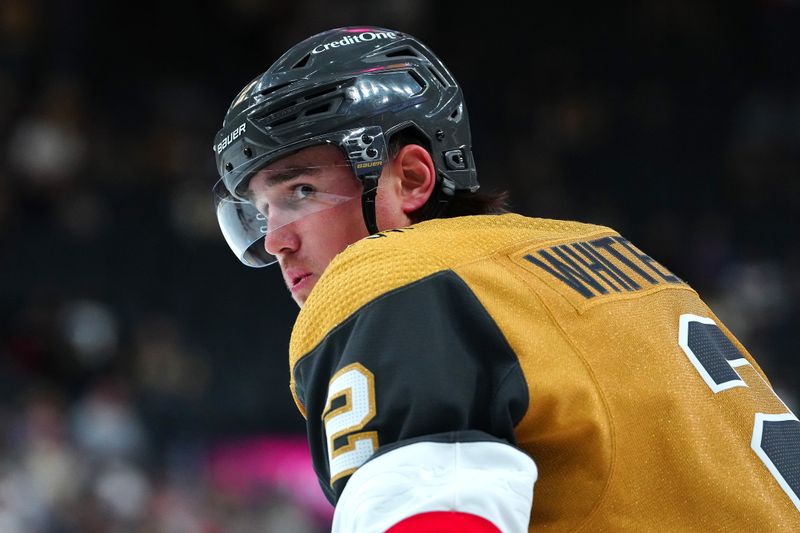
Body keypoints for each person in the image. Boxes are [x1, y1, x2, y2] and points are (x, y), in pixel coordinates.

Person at [211, 26, 800, 532]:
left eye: (300, 192)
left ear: (411, 178)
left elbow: (437, 515)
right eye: (261, 213)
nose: (275, 239)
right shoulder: (611, 254)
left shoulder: (393, 277)